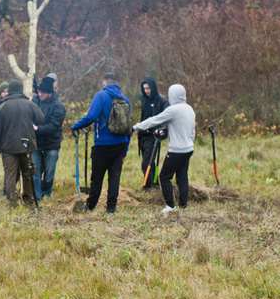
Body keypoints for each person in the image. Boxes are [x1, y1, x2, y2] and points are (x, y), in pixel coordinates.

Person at [70, 72, 132, 213]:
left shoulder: (100, 95)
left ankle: (91, 206)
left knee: (97, 177)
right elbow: (129, 127)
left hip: (103, 144)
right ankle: (111, 208)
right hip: (120, 144)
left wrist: (76, 125)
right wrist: (126, 150)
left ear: (104, 83)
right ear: (116, 83)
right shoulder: (125, 99)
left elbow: (92, 116)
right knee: (114, 177)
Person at [133, 84, 195, 212]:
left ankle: (170, 205)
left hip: (176, 150)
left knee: (164, 176)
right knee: (182, 177)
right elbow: (191, 132)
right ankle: (183, 206)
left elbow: (154, 120)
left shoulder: (173, 110)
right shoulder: (189, 109)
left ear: (173, 95)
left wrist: (136, 127)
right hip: (188, 149)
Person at [0, 80, 46, 206]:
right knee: (27, 173)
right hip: (26, 146)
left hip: (8, 148)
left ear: (9, 90)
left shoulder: (3, 106)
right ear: (21, 90)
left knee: (10, 174)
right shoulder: (29, 104)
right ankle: (28, 200)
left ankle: (12, 203)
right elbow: (41, 118)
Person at [31, 76, 66, 199]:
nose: (39, 94)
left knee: (49, 174)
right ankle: (36, 196)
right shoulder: (35, 101)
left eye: (42, 92)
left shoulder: (58, 106)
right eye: (39, 91)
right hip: (35, 143)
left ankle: (45, 194)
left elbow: (53, 127)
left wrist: (37, 129)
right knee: (34, 171)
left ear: (49, 93)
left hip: (51, 145)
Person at [137, 77, 169, 190]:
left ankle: (147, 186)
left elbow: (166, 117)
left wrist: (161, 130)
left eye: (148, 88)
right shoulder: (145, 99)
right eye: (144, 88)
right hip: (143, 135)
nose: (146, 91)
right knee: (151, 162)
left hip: (153, 136)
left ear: (153, 87)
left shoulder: (161, 100)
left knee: (146, 163)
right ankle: (155, 185)